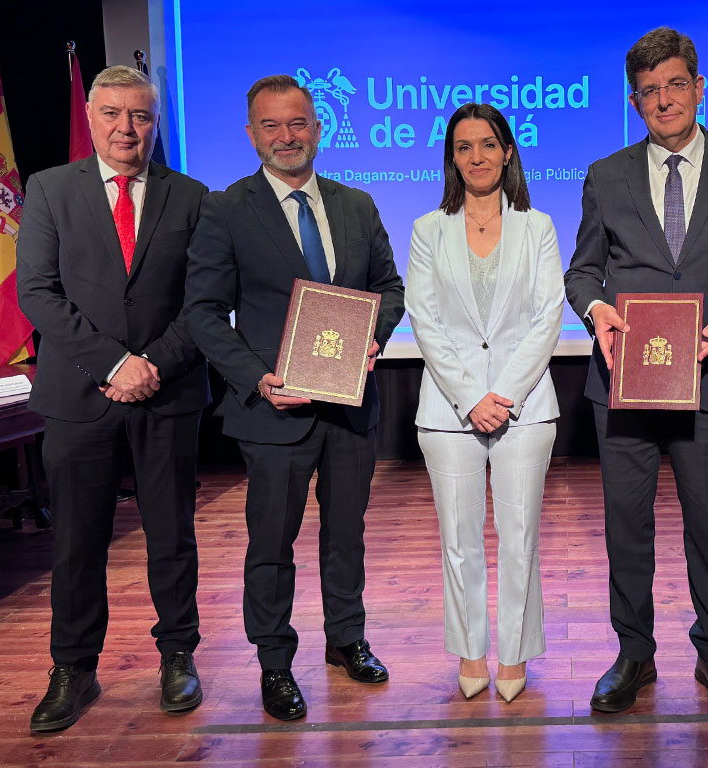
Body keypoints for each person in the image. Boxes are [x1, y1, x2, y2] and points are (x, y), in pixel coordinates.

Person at [564, 26, 708, 717]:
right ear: (634, 102)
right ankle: (634, 653)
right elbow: (582, 272)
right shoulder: (605, 174)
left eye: (675, 85)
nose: (664, 100)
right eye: (649, 91)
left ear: (700, 88)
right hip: (624, 383)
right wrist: (596, 310)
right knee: (626, 527)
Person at [184, 74, 405, 720]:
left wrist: (374, 336)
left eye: (298, 122)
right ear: (251, 135)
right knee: (270, 544)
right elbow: (202, 313)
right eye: (272, 125)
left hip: (349, 407)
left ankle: (347, 639)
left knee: (345, 535)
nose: (287, 136)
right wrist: (257, 377)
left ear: (318, 128)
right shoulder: (226, 208)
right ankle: (275, 662)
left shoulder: (357, 205)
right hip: (272, 411)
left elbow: (390, 289)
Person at [18, 65, 210, 732]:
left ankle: (178, 656)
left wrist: (151, 365)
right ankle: (73, 668)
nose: (127, 128)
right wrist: (114, 362)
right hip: (79, 393)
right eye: (113, 114)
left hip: (167, 392)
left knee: (172, 536)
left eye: (141, 115)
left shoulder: (192, 196)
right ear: (91, 116)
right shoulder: (49, 190)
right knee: (77, 541)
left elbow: (204, 300)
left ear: (155, 123)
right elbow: (37, 292)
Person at [405, 103, 564, 703]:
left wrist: (504, 395)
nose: (477, 156)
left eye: (488, 144)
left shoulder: (538, 226)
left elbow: (548, 317)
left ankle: (515, 654)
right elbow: (425, 320)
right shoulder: (427, 229)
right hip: (449, 410)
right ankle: (471, 652)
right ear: (451, 158)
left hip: (525, 406)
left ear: (508, 152)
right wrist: (472, 398)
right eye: (464, 146)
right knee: (459, 541)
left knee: (520, 537)